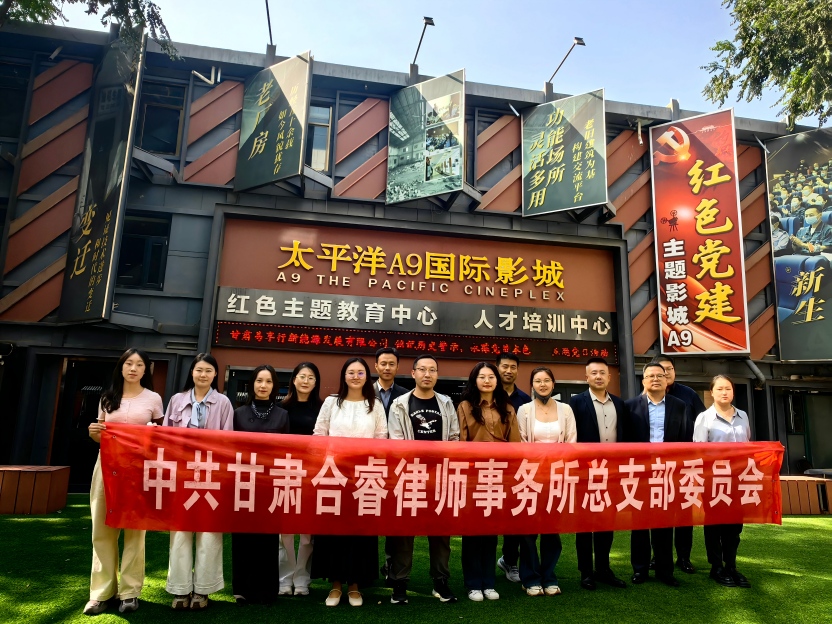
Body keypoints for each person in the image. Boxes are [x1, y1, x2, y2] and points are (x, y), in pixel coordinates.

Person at [84, 349, 164, 616]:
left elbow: (161, 437)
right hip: (107, 467)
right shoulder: (107, 398)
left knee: (135, 531)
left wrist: (153, 433)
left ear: (145, 370)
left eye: (139, 364)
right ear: (121, 367)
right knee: (102, 528)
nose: (133, 368)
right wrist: (94, 433)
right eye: (129, 363)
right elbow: (100, 433)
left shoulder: (153, 399)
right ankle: (101, 593)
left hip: (138, 470)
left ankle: (130, 592)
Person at [312, 357, 387, 607]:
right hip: (334, 475)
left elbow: (382, 438)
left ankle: (355, 585)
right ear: (344, 376)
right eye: (351, 372)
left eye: (360, 372)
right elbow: (319, 435)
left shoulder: (375, 405)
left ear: (367, 376)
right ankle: (335, 585)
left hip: (365, 477)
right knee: (334, 532)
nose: (356, 376)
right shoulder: (332, 403)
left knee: (360, 532)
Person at [386, 355, 460, 605]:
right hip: (410, 476)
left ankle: (440, 582)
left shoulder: (446, 403)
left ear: (437, 374)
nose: (427, 374)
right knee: (404, 533)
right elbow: (396, 442)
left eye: (432, 370)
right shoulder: (400, 404)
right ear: (413, 373)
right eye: (422, 369)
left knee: (440, 533)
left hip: (441, 477)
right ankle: (399, 583)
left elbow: (454, 438)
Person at [163, 353, 234, 610]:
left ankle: (203, 590)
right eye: (199, 370)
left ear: (215, 375)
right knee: (180, 532)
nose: (203, 375)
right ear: (191, 372)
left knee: (208, 532)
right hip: (182, 475)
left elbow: (228, 441)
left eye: (208, 371)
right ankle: (180, 589)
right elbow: (166, 437)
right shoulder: (177, 400)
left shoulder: (223, 402)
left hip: (210, 476)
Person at [457, 362, 520, 602]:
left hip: (498, 476)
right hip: (472, 477)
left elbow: (515, 445)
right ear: (474, 381)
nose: (486, 380)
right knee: (472, 531)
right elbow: (461, 443)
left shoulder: (507, 408)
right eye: (481, 377)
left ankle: (489, 582)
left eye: (491, 376)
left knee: (491, 530)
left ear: (497, 380)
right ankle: (473, 583)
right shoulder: (465, 406)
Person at [625, 362, 688, 587]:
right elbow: (625, 441)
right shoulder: (630, 406)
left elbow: (684, 438)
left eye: (659, 376)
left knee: (664, 522)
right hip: (640, 472)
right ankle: (640, 569)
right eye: (650, 376)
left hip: (668, 471)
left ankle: (664, 570)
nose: (655, 379)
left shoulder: (678, 405)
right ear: (643, 381)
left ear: (666, 379)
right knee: (639, 523)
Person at [569, 357, 628, 591]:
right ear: (587, 377)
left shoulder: (620, 404)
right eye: (594, 373)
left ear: (609, 377)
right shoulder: (576, 403)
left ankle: (603, 568)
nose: (598, 377)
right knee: (585, 524)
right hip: (585, 472)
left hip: (611, 472)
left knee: (606, 522)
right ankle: (586, 572)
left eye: (602, 373)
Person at [231, 365, 289, 605]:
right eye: (259, 381)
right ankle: (242, 588)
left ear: (274, 386)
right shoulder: (238, 413)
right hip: (244, 481)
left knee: (267, 538)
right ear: (252, 384)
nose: (263, 386)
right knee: (243, 537)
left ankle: (266, 590)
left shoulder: (282, 415)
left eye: (268, 381)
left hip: (270, 483)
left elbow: (286, 451)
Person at [516, 367, 575, 597]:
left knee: (552, 530)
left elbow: (571, 442)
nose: (542, 385)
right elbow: (521, 442)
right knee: (529, 531)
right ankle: (530, 578)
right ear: (532, 385)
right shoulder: (524, 410)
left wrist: (558, 468)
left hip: (557, 476)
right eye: (538, 381)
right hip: (530, 477)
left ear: (553, 384)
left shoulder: (566, 409)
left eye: (547, 380)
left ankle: (549, 576)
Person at [693, 375, 753, 589]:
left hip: (738, 480)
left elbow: (748, 444)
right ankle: (716, 566)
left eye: (728, 388)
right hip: (714, 480)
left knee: (735, 527)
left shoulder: (743, 416)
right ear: (712, 393)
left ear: (733, 392)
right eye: (719, 389)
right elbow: (698, 451)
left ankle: (731, 566)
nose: (724, 392)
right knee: (714, 525)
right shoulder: (704, 418)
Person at [650, 355, 706, 575]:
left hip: (685, 464)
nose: (666, 373)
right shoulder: (647, 395)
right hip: (656, 467)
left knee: (684, 512)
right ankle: (658, 556)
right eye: (661, 369)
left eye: (669, 369)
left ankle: (683, 557)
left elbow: (702, 422)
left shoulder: (688, 394)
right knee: (658, 512)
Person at [278, 362, 323, 596]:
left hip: (313, 474)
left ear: (316, 383)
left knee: (307, 533)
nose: (306, 381)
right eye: (302, 376)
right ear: (294, 379)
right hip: (286, 472)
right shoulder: (281, 408)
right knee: (285, 531)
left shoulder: (323, 408)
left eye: (311, 377)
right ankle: (284, 579)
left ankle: (303, 578)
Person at [495, 353, 530, 584]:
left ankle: (509, 560)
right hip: (489, 466)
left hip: (516, 468)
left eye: (513, 367)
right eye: (505, 366)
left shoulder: (525, 400)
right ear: (497, 368)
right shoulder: (487, 393)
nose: (509, 371)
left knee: (515, 515)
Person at [374, 347, 408, 418]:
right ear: (376, 366)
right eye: (383, 364)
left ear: (397, 367)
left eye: (391, 364)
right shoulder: (365, 392)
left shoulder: (406, 395)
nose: (387, 368)